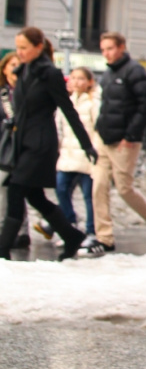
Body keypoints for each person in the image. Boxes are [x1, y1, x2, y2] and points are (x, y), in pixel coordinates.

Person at [0, 28, 97, 260]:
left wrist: (86, 145)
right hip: (24, 143)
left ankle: (2, 251)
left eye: (24, 48)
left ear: (37, 47)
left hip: (40, 144)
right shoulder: (23, 71)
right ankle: (72, 236)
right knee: (35, 196)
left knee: (15, 190)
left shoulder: (49, 74)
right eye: (18, 48)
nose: (20, 52)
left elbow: (67, 109)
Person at [82, 31, 146, 257]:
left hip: (125, 141)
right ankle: (104, 238)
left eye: (109, 48)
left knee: (124, 189)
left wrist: (131, 136)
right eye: (103, 50)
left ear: (121, 47)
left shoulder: (134, 71)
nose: (106, 54)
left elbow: (145, 105)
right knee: (98, 186)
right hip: (104, 137)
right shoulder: (108, 75)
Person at [52, 65, 101, 243]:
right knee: (61, 188)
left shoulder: (94, 102)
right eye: (73, 78)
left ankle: (91, 231)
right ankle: (70, 225)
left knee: (89, 195)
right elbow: (59, 129)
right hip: (67, 155)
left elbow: (98, 129)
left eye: (80, 78)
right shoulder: (67, 101)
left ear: (89, 82)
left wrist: (94, 150)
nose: (76, 82)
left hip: (88, 156)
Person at [0, 50, 30, 250]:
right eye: (12, 64)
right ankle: (8, 231)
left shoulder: (27, 92)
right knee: (4, 190)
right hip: (3, 149)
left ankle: (21, 232)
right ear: (4, 69)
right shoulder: (3, 94)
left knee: (20, 191)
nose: (16, 68)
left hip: (23, 148)